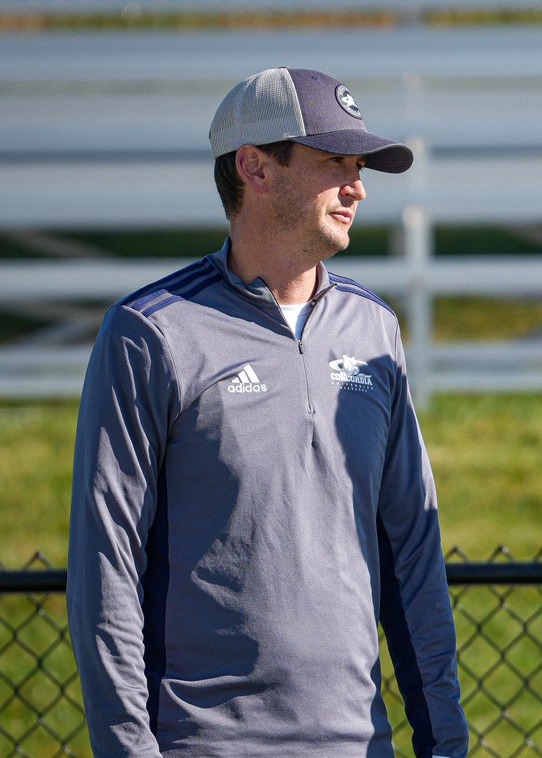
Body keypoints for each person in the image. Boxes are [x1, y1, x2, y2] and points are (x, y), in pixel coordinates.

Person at [67, 67, 468, 758]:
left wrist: (445, 742)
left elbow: (413, 557)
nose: (358, 187)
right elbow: (106, 573)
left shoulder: (375, 330)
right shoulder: (149, 333)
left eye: (360, 165)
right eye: (334, 163)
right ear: (254, 167)